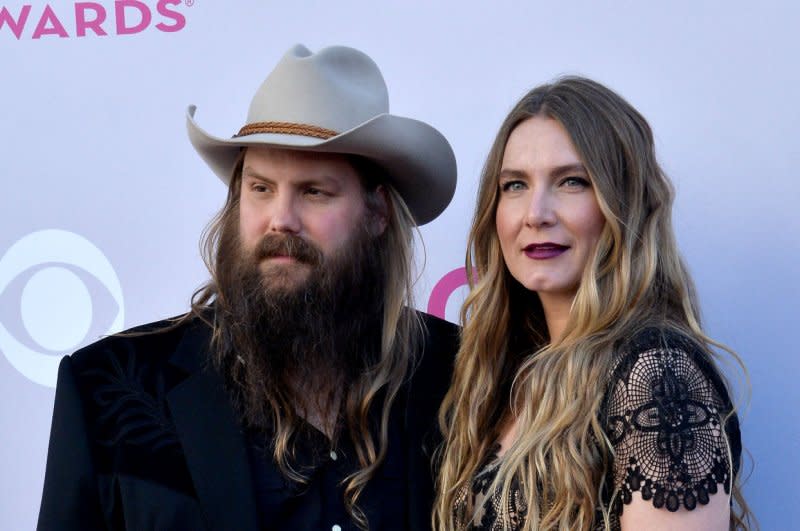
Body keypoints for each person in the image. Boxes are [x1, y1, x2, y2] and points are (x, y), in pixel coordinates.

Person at [38, 44, 459, 531]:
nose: (281, 219)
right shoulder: (108, 389)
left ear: (378, 212)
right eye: (261, 188)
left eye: (313, 191)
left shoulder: (463, 379)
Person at [434, 76, 752, 530]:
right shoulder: (503, 375)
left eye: (571, 182)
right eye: (515, 185)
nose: (536, 213)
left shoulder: (657, 377)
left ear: (623, 204)